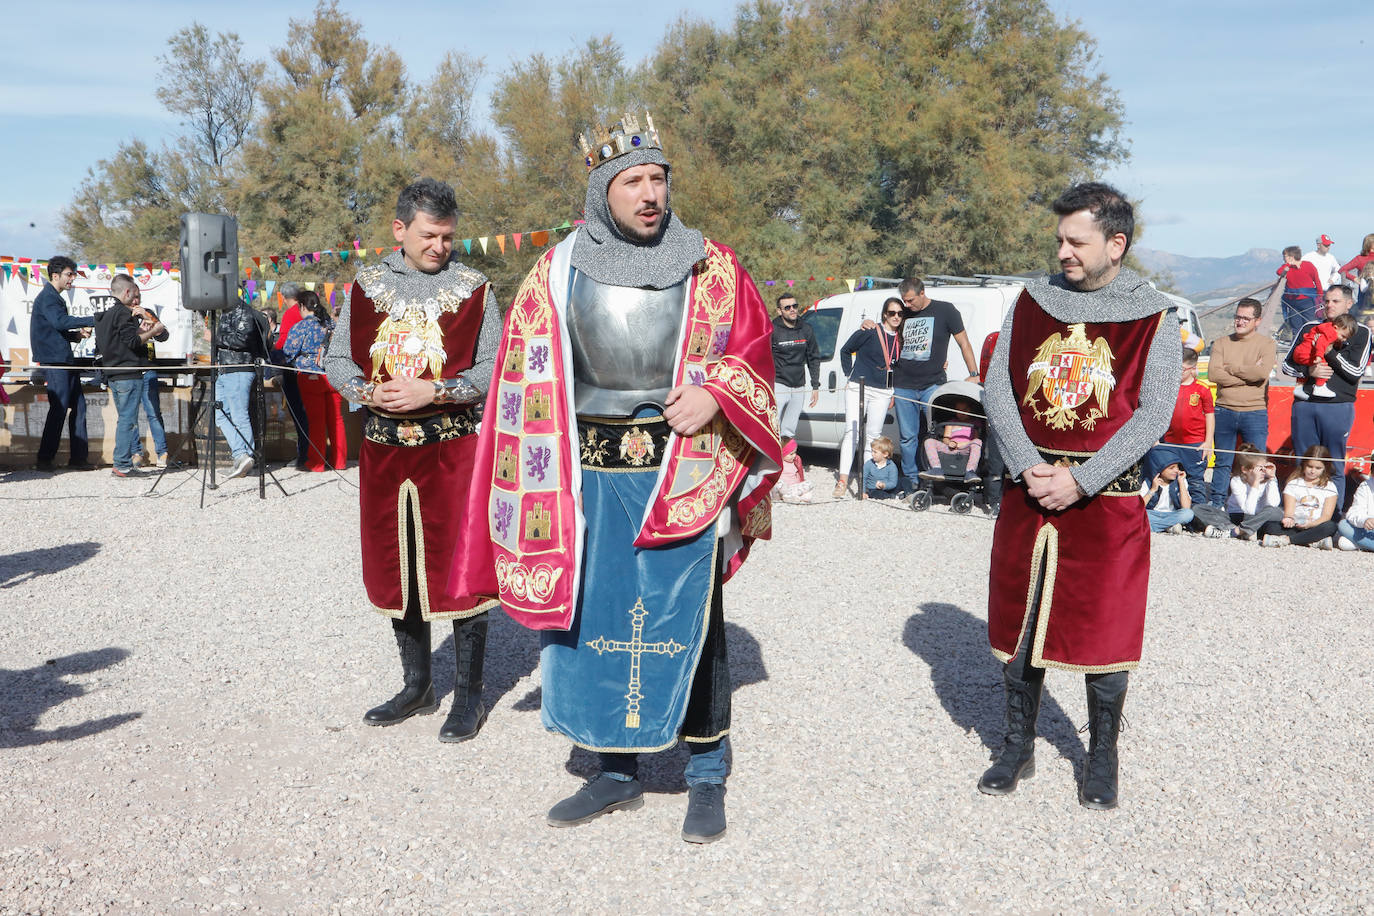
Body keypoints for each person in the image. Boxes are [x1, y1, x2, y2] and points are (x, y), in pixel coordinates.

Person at [448, 111, 781, 843]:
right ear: (604, 191)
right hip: (585, 477)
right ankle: (616, 771)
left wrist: (715, 392)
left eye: (658, 178)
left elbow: (755, 355)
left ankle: (705, 772)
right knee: (594, 625)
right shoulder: (558, 268)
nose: (649, 193)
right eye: (633, 180)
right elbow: (520, 375)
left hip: (680, 470)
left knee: (691, 623)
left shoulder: (712, 266)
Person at [979, 182, 1181, 810]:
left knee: (1104, 633)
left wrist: (1082, 477)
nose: (1062, 250)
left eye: (1077, 240)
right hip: (1029, 489)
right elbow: (998, 386)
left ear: (1115, 245)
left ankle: (1102, 758)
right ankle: (1017, 745)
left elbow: (1152, 415)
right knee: (1021, 622)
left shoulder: (1154, 316)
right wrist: (1029, 462)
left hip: (1105, 500)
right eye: (1060, 238)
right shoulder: (1033, 299)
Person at [323, 177, 503, 744]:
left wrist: (438, 391)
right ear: (400, 230)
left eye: (449, 237)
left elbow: (496, 367)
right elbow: (336, 361)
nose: (441, 247)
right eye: (430, 236)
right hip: (383, 450)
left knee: (462, 570)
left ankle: (469, 697)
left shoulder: (475, 289)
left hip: (452, 449)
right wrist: (364, 391)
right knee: (397, 566)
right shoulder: (364, 287)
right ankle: (417, 684)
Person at [1281, 284, 1371, 511]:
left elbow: (1355, 372)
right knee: (1304, 461)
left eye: (1335, 301)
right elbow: (1287, 364)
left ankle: (1332, 516)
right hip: (1305, 404)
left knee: (1334, 464)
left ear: (1349, 304)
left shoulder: (1361, 332)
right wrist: (1308, 372)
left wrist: (1329, 351)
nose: (1329, 305)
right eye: (1327, 301)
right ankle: (1299, 512)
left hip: (1337, 406)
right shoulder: (1310, 327)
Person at [889, 278, 980, 484]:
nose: (908, 306)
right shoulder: (902, 314)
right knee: (907, 437)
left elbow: (963, 342)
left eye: (911, 300)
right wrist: (867, 324)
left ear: (922, 292)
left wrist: (974, 373)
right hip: (904, 385)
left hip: (933, 385)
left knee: (937, 433)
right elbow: (884, 332)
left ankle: (939, 477)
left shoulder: (946, 310)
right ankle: (911, 481)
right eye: (905, 301)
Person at [94, 274, 167, 478]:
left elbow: (116, 342)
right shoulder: (123, 314)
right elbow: (132, 343)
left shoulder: (104, 314)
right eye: (135, 294)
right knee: (128, 420)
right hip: (128, 373)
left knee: (125, 419)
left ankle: (123, 462)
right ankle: (122, 464)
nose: (136, 299)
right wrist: (153, 331)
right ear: (127, 292)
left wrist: (143, 328)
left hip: (113, 373)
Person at [1206, 298, 1275, 507]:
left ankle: (1256, 506)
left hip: (1254, 412)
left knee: (1257, 464)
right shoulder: (1221, 343)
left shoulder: (1267, 344)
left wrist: (1231, 368)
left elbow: (1261, 373)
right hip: (1224, 410)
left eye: (1246, 318)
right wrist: (1248, 372)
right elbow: (1213, 374)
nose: (1240, 321)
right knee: (1222, 462)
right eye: (1238, 316)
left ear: (1257, 321)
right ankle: (1217, 504)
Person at [30, 256, 96, 472]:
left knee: (79, 407)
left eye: (74, 274)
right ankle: (45, 459)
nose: (73, 278)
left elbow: (55, 330)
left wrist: (76, 336)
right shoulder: (49, 298)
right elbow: (59, 322)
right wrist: (92, 319)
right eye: (69, 274)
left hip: (64, 360)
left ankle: (78, 458)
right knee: (58, 409)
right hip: (55, 362)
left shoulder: (53, 298)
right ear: (55, 276)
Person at [835, 297, 903, 498]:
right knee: (852, 432)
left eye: (900, 313)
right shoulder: (870, 331)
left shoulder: (900, 337)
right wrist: (850, 375)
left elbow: (897, 367)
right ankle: (842, 480)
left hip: (883, 391)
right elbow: (845, 350)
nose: (896, 317)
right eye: (892, 313)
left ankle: (865, 482)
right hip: (859, 386)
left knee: (873, 436)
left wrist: (892, 390)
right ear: (884, 314)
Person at [283, 290, 347, 471]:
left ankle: (317, 463)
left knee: (316, 421)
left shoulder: (300, 327)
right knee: (337, 419)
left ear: (303, 306)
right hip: (333, 375)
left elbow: (289, 353)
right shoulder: (331, 325)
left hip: (310, 377)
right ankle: (339, 462)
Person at [215, 296, 272, 480]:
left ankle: (246, 456)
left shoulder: (244, 312)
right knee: (220, 415)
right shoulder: (225, 312)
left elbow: (242, 340)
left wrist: (215, 338)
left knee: (239, 415)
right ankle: (241, 455)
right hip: (224, 370)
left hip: (239, 369)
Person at [1257, 446, 1338, 549]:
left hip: (1316, 525)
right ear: (1304, 465)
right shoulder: (1294, 483)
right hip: (1296, 525)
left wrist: (1310, 524)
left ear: (1324, 468)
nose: (1313, 471)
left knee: (1331, 526)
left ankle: (1287, 540)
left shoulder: (1330, 487)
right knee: (1269, 526)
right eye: (1310, 466)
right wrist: (1289, 519)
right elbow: (1289, 511)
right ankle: (1313, 541)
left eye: (1318, 468)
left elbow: (1326, 516)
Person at [770, 294, 821, 450]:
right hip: (779, 383)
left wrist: (815, 385)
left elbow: (813, 357)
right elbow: (763, 357)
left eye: (794, 306)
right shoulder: (772, 329)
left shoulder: (806, 328)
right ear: (779, 311)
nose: (792, 310)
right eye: (787, 307)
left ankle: (786, 460)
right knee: (773, 425)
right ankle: (769, 461)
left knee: (789, 428)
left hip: (799, 384)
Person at [274, 282, 311, 469]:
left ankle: (304, 455)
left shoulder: (290, 313)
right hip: (315, 371)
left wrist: (271, 352)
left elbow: (284, 342)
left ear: (284, 297)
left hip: (294, 370)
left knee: (299, 414)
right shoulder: (313, 308)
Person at [1291, 312, 1357, 399]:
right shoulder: (1332, 333)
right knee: (1323, 366)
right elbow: (1321, 343)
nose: (1344, 340)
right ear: (1336, 327)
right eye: (1343, 336)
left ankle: (1299, 387)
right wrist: (1318, 356)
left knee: (1307, 365)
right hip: (1307, 353)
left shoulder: (1325, 328)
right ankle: (1319, 387)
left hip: (1299, 351)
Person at [1226, 445, 1283, 540]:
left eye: (1265, 468)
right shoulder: (1236, 481)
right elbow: (1248, 510)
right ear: (1244, 470)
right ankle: (1250, 531)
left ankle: (1239, 531)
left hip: (1263, 517)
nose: (1263, 472)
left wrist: (1272, 478)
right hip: (1240, 516)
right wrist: (1255, 483)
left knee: (1275, 511)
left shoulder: (1268, 480)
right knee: (1200, 509)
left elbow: (1273, 504)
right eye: (1259, 469)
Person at [979, 330, 1004, 515]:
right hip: (998, 407)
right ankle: (995, 501)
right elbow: (986, 377)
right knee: (996, 462)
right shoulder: (996, 340)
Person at [1276, 246, 1325, 340]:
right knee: (1295, 325)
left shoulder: (1308, 265)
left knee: (1310, 323)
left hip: (1307, 301)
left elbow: (1317, 280)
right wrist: (1288, 265)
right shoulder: (1287, 268)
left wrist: (1320, 296)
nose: (1283, 259)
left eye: (1285, 256)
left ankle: (1311, 341)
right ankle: (1297, 343)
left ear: (1291, 257)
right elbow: (1279, 272)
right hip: (1292, 302)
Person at [1140, 458, 1192, 533]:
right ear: (1161, 469)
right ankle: (1168, 527)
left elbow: (1186, 507)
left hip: (1172, 514)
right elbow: (1140, 507)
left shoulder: (1180, 480)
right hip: (1153, 514)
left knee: (1188, 514)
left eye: (1177, 467)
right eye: (1172, 468)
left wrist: (1181, 482)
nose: (1176, 470)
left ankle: (1154, 527)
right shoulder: (1149, 482)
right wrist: (1153, 490)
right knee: (1139, 515)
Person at [1335, 471, 1374, 551]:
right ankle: (1364, 545)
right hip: (1369, 531)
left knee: (1344, 543)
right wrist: (1365, 520)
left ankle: (1362, 545)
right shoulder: (1365, 485)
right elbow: (1354, 512)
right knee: (1344, 525)